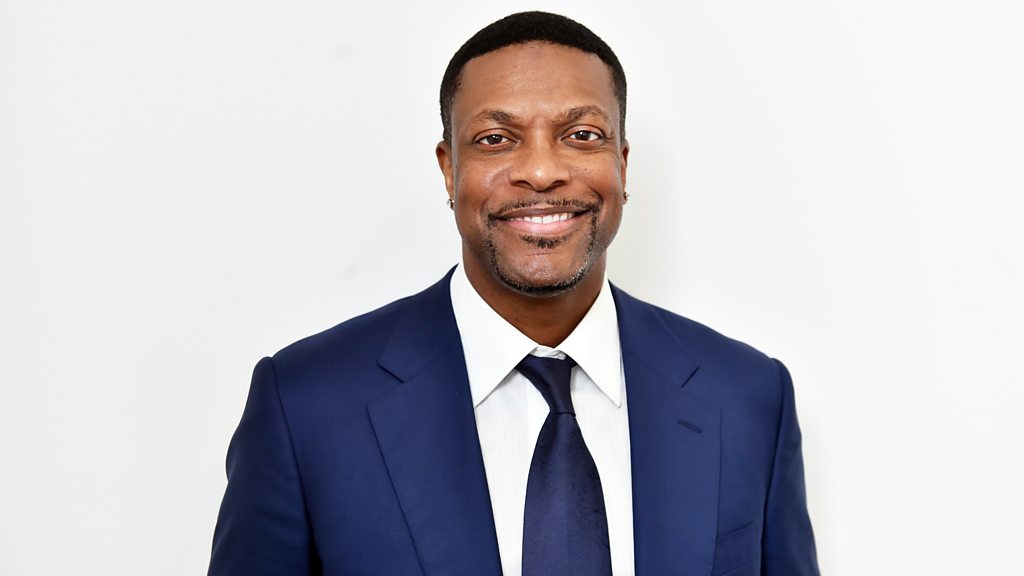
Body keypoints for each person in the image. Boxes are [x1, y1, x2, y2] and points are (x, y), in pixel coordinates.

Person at [208, 11, 819, 576]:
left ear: (623, 164)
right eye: (496, 139)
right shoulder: (306, 404)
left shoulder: (748, 398)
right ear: (449, 169)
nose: (542, 171)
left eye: (582, 134)